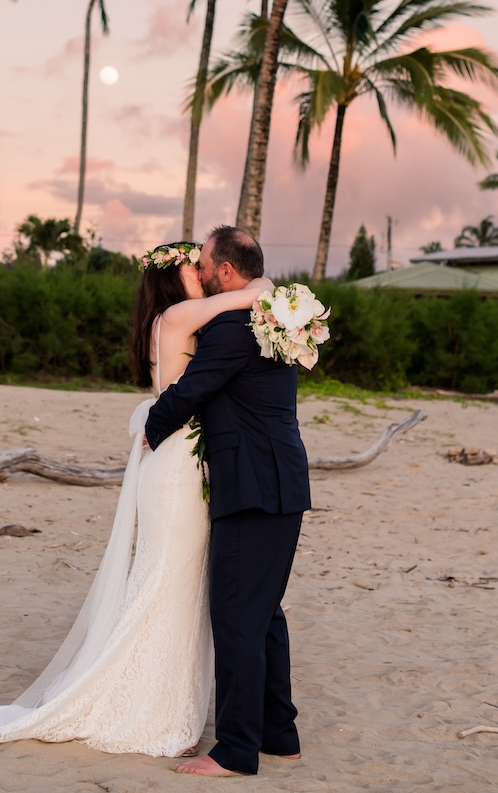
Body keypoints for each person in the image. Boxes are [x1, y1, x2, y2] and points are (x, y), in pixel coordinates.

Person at [0, 241, 272, 756]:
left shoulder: (173, 320)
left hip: (182, 463)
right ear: (172, 282)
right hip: (176, 470)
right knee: (163, 585)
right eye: (190, 270)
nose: (200, 275)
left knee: (175, 586)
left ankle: (161, 701)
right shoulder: (179, 315)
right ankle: (141, 705)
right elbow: (240, 300)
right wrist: (265, 288)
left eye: (201, 269)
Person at [145, 225, 311, 777]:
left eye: (206, 263)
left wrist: (151, 425)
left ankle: (237, 749)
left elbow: (193, 390)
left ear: (224, 273)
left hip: (253, 488)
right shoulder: (270, 318)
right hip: (280, 483)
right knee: (264, 615)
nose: (201, 269)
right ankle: (279, 734)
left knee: (237, 615)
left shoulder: (235, 326)